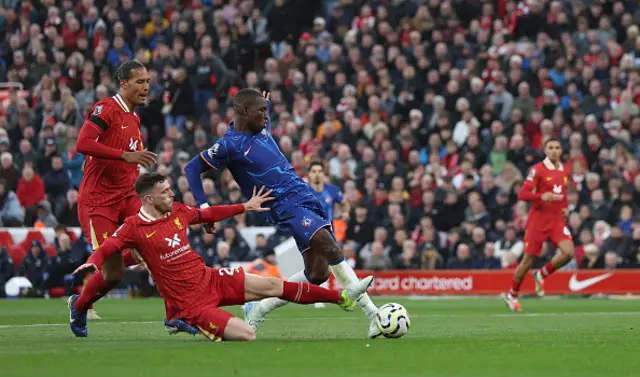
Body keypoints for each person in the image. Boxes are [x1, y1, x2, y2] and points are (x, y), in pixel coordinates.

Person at [72, 173, 373, 341]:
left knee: (270, 286)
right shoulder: (135, 227)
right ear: (148, 199)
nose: (172, 195)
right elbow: (111, 245)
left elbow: (208, 213)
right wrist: (94, 261)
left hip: (211, 279)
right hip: (192, 303)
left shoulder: (176, 212)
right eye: (165, 192)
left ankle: (342, 298)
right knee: (247, 335)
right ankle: (180, 318)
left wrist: (245, 206)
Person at [184, 89, 380, 337]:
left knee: (318, 274)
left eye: (267, 110)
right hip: (283, 205)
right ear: (245, 112)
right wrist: (204, 209)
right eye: (262, 111)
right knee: (331, 247)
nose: (267, 116)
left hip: (304, 195)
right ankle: (374, 314)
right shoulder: (228, 145)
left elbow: (258, 107)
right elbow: (191, 168)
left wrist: (263, 100)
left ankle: (259, 308)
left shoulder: (258, 126)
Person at [69, 60, 195, 336]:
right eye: (140, 82)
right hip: (98, 201)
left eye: (148, 81)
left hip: (127, 197)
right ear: (123, 84)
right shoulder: (107, 108)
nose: (146, 87)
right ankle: (79, 306)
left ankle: (175, 314)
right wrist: (124, 155)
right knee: (113, 274)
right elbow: (82, 144)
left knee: (159, 247)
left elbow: (130, 163)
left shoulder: (135, 118)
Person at [504, 138, 575, 311]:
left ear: (561, 151)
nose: (554, 151)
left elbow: (563, 193)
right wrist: (540, 196)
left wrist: (566, 209)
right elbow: (522, 194)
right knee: (528, 260)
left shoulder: (565, 170)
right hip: (538, 220)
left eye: (557, 147)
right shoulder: (537, 170)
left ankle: (541, 274)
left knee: (568, 253)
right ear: (545, 150)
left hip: (557, 220)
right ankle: (512, 294)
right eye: (550, 148)